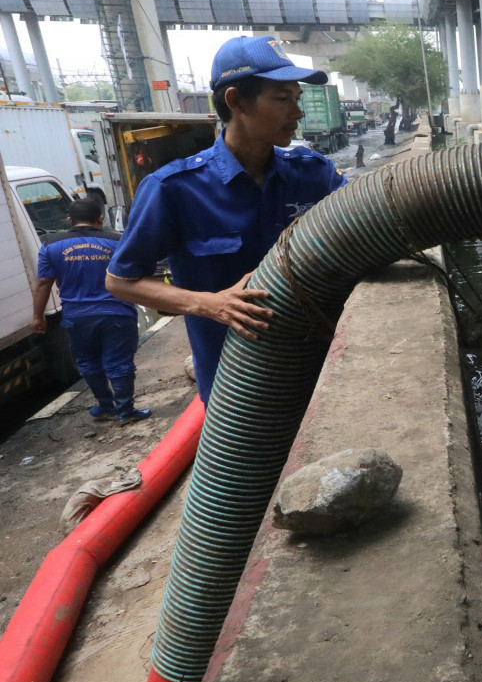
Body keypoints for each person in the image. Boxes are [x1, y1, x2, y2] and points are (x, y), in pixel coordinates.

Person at [106, 35, 347, 407]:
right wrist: (209, 304)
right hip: (234, 387)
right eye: (282, 99)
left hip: (319, 369)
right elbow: (121, 282)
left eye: (296, 99)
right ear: (235, 101)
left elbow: (365, 226)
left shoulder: (313, 174)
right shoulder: (174, 189)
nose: (297, 113)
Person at [32, 198, 151, 423]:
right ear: (100, 218)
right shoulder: (118, 241)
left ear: (69, 220)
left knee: (88, 362)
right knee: (119, 363)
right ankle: (125, 411)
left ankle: (105, 406)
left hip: (77, 317)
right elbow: (137, 274)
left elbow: (43, 283)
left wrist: (38, 317)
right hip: (117, 313)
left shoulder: (50, 245)